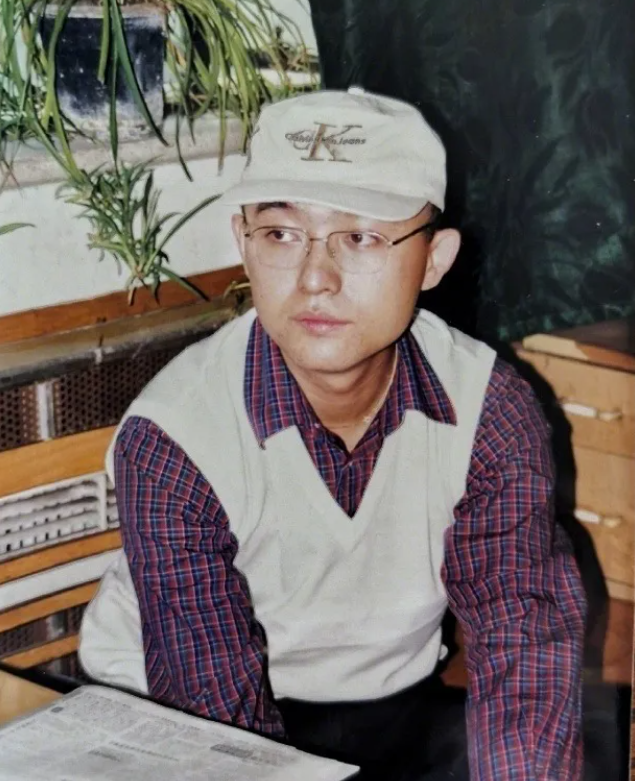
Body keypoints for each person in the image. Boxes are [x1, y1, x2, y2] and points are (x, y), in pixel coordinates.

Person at [79, 87, 587, 780]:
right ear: (243, 244)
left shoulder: (488, 411)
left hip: (388, 707)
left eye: (361, 237)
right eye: (281, 235)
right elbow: (215, 722)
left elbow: (521, 635)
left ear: (434, 259)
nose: (315, 278)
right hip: (174, 717)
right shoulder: (176, 437)